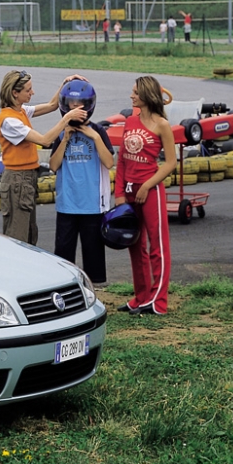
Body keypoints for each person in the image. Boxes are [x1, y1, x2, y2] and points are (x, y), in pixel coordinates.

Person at [0, 70, 88, 245]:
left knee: (30, 234)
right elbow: (45, 140)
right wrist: (67, 118)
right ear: (15, 93)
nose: (32, 93)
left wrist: (65, 83)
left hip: (27, 177)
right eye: (28, 90)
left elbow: (53, 105)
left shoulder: (21, 111)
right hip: (17, 179)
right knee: (18, 236)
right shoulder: (9, 120)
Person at [114, 76, 177, 315]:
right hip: (128, 191)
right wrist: (119, 193)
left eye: (135, 93)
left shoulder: (162, 125)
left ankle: (158, 302)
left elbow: (170, 163)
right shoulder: (130, 120)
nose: (131, 96)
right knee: (134, 244)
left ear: (146, 95)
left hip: (150, 191)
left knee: (157, 245)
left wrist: (146, 186)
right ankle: (141, 297)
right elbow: (122, 160)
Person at [49, 79, 115, 285]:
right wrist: (66, 137)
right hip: (67, 204)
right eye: (71, 106)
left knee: (93, 252)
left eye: (80, 106)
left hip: (92, 205)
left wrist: (94, 137)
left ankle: (95, 288)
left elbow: (109, 162)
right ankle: (63, 286)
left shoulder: (98, 131)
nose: (75, 110)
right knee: (63, 253)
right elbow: (53, 165)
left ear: (88, 106)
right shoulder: (60, 132)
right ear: (65, 106)